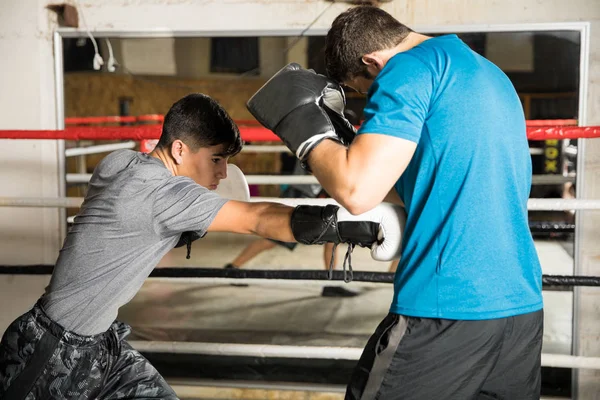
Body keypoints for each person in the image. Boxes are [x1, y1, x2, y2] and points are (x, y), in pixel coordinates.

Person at [0, 93, 404, 399]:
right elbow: (259, 218)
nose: (223, 171)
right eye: (215, 160)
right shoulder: (165, 198)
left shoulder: (120, 163)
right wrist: (350, 225)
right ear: (179, 149)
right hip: (49, 354)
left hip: (101, 346)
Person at [246, 5, 543, 400]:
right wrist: (351, 145)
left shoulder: (406, 69)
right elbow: (428, 177)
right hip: (520, 307)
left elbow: (357, 190)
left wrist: (308, 132)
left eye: (366, 90)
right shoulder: (488, 73)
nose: (370, 101)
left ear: (372, 62)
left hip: (447, 305)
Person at [225, 152, 361, 297]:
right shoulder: (316, 140)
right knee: (273, 238)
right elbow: (317, 169)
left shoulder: (329, 138)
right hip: (301, 193)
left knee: (332, 236)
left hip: (312, 194)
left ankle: (331, 281)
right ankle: (233, 267)